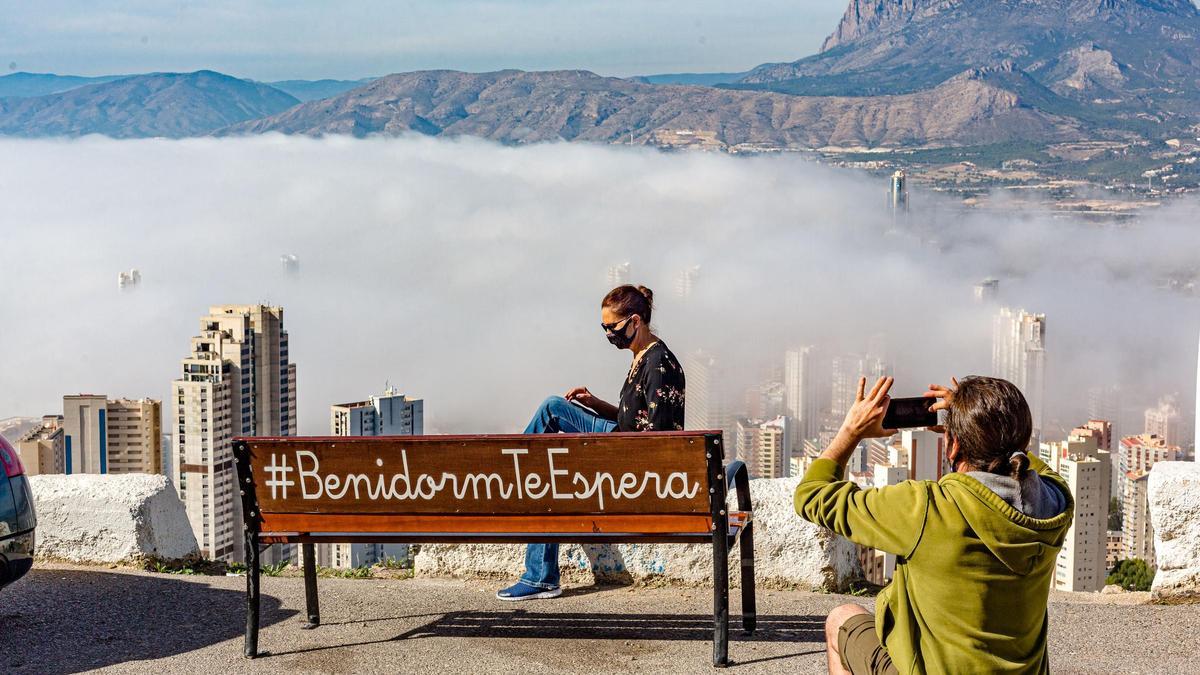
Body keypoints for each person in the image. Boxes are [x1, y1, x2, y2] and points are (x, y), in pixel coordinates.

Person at [795, 376, 1073, 674]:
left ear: (952, 447)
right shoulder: (1055, 504)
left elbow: (811, 496)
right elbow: (1037, 469)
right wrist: (981, 426)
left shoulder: (929, 509)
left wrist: (851, 431)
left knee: (841, 618)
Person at [496, 284, 686, 601]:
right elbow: (634, 418)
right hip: (620, 439)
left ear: (635, 321)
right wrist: (595, 403)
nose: (609, 334)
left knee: (547, 470)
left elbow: (656, 442)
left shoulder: (658, 366)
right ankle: (513, 471)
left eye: (612, 327)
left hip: (627, 459)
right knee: (553, 409)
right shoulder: (644, 354)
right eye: (604, 327)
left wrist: (598, 454)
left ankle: (507, 476)